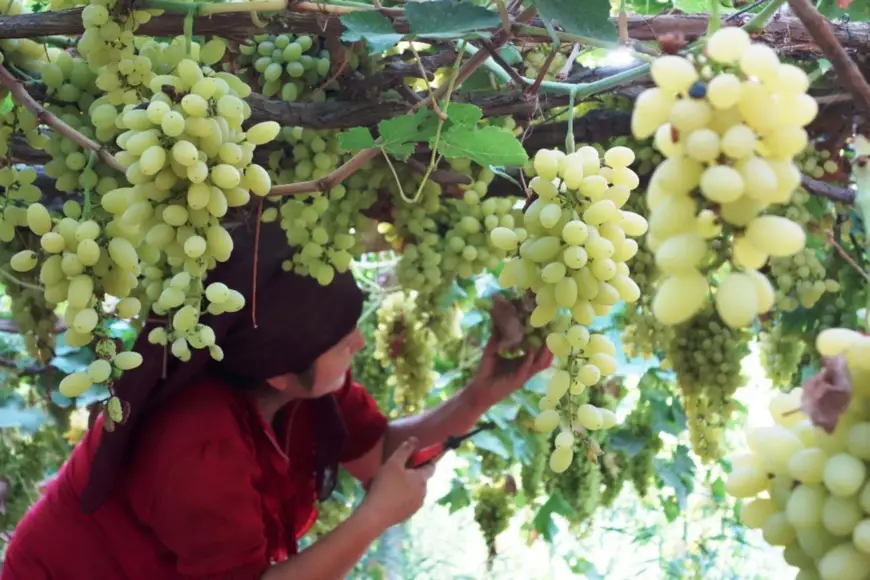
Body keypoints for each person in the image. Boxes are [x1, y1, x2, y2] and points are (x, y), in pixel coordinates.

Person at [1, 212, 552, 579]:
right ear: (280, 376)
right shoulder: (197, 442)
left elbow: (377, 454)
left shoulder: (296, 381)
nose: (360, 341)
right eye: (343, 341)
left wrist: (479, 396)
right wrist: (370, 521)